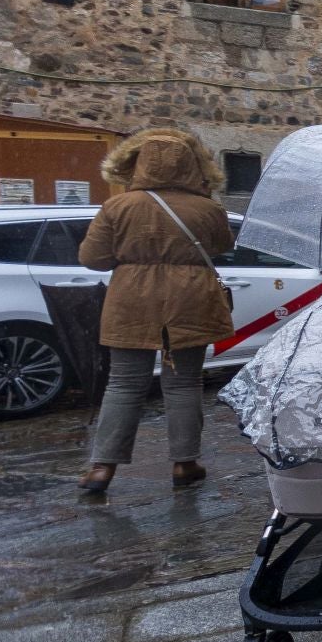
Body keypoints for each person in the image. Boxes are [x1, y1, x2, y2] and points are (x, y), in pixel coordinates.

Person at [75, 127, 235, 495]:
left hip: (131, 300)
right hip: (191, 299)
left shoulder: (118, 206)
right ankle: (184, 463)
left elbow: (92, 258)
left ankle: (102, 468)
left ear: (137, 162)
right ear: (193, 164)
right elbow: (222, 246)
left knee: (124, 383)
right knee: (184, 383)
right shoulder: (207, 208)